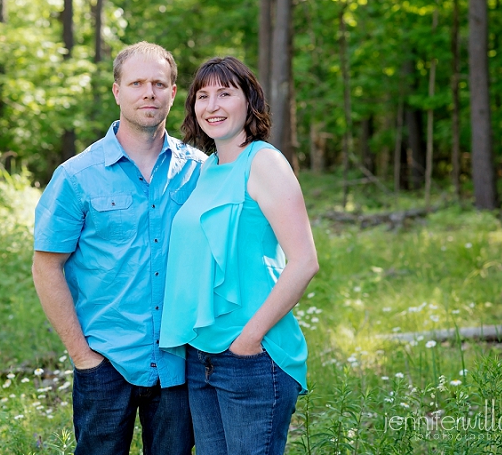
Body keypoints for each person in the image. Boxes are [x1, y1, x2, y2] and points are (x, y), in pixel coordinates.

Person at [32, 42, 206, 455]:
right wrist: (82, 354)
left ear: (173, 91)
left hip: (179, 363)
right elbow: (46, 267)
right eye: (137, 83)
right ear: (117, 91)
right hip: (105, 363)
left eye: (159, 84)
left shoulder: (201, 171)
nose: (149, 92)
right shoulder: (77, 176)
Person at [160, 56, 319, 455]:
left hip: (251, 357)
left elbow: (304, 262)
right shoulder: (207, 168)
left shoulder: (264, 162)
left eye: (225, 93)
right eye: (203, 95)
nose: (212, 105)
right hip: (202, 358)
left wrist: (249, 339)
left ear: (249, 101)